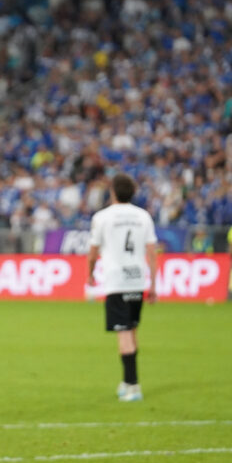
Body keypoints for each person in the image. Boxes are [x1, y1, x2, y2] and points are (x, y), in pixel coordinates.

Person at [86, 173, 157, 403]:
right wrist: (153, 284)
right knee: (132, 330)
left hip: (116, 282)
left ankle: (134, 385)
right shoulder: (143, 216)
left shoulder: (102, 217)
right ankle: (126, 382)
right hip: (138, 279)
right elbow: (152, 252)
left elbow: (93, 252)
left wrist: (89, 275)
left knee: (124, 334)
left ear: (113, 192)